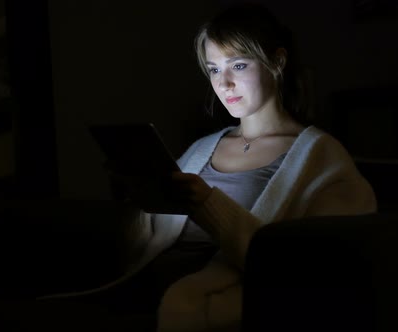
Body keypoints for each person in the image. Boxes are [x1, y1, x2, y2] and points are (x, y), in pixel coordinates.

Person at [35, 3, 377, 332]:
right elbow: (148, 243)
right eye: (214, 69)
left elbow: (314, 270)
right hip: (146, 285)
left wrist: (208, 205)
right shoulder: (202, 149)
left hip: (210, 299)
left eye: (238, 65)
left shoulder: (321, 159)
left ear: (277, 61)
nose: (223, 82)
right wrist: (139, 195)